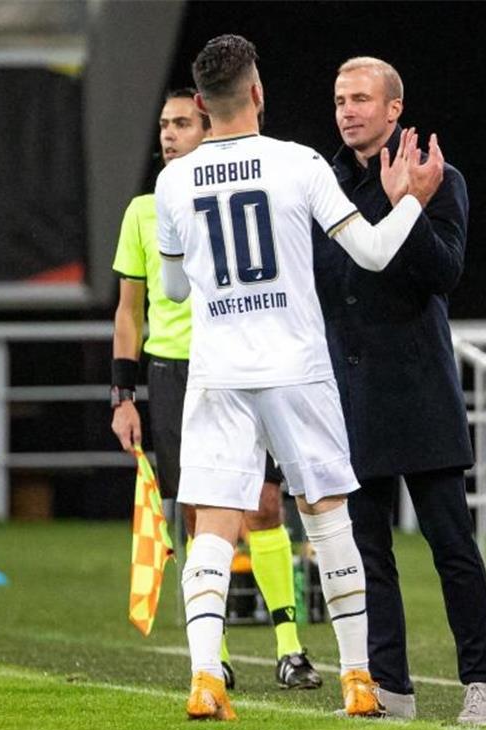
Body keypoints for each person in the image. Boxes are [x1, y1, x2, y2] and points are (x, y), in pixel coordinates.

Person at [155, 34, 445, 721]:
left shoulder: (172, 181)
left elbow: (169, 290)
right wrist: (411, 200)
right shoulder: (298, 164)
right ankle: (357, 680)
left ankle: (205, 679)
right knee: (327, 518)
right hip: (296, 366)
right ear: (257, 93)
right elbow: (373, 254)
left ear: (201, 104)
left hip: (220, 370)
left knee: (213, 526)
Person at [109, 88, 321, 691]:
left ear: (210, 129)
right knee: (200, 511)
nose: (168, 135)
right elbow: (130, 311)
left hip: (244, 361)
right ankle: (216, 654)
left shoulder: (237, 194)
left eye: (181, 123)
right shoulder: (144, 211)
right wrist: (122, 397)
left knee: (266, 503)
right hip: (177, 371)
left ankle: (289, 646)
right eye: (164, 125)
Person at [311, 56, 486, 726]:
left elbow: (444, 274)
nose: (348, 110)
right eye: (339, 99)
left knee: (453, 546)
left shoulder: (437, 178)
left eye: (361, 98)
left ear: (395, 109)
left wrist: (408, 205)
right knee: (367, 555)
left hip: (419, 392)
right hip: (348, 397)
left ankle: (480, 685)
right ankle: (390, 690)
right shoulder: (320, 183)